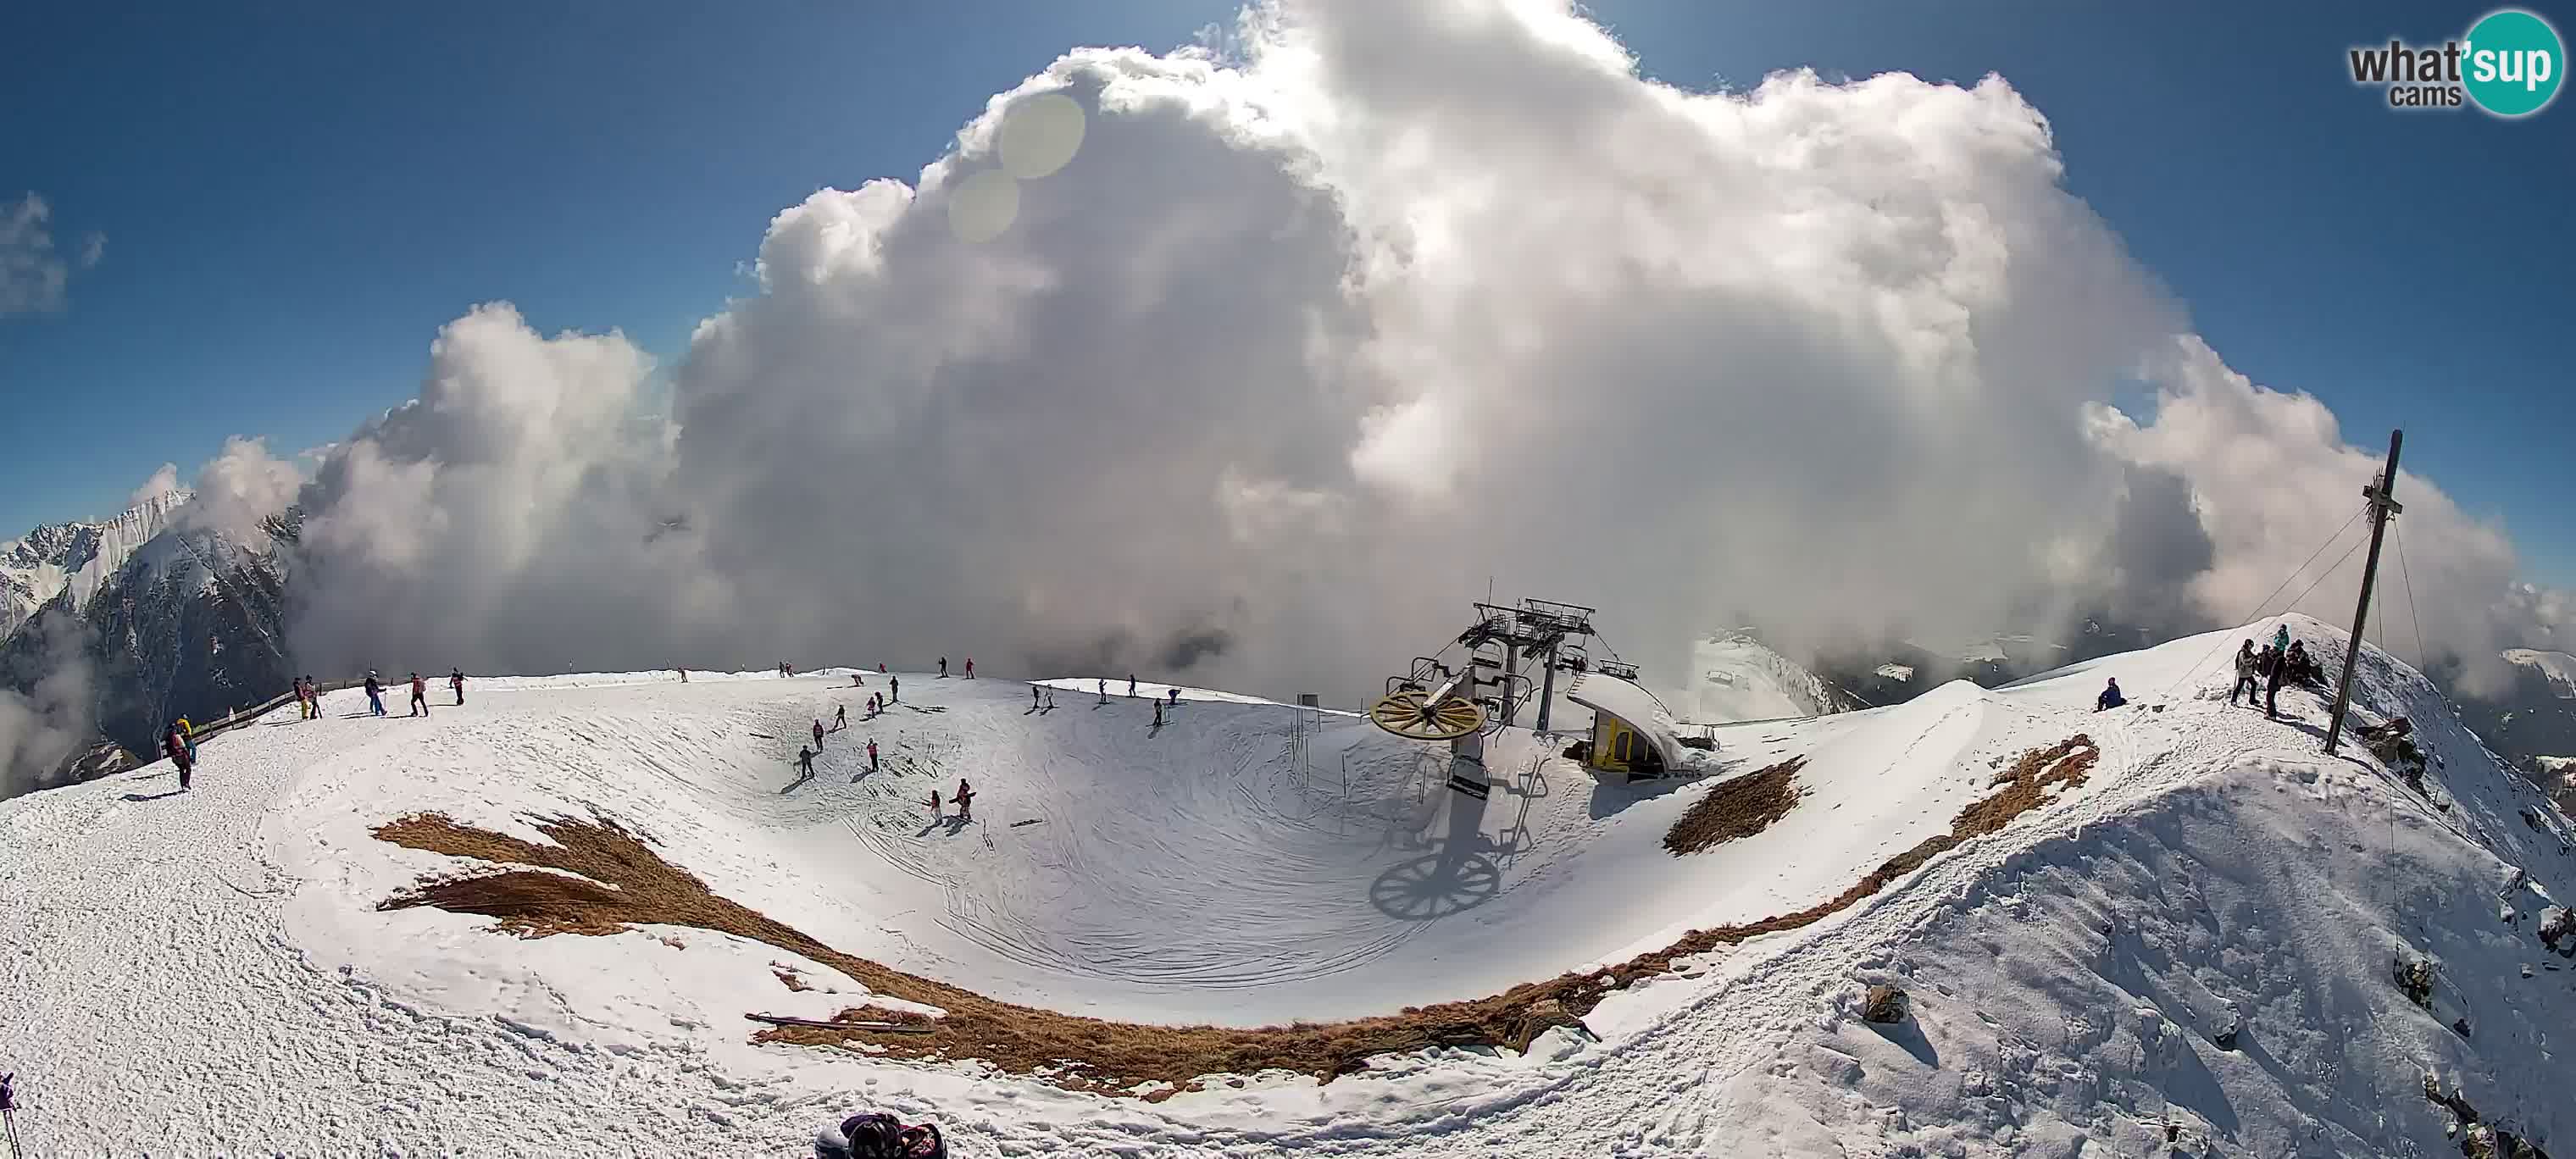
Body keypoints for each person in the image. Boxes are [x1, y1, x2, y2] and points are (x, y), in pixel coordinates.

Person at [813, 1111, 946, 1159]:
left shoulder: (925, 1152)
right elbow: (848, 1125)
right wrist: (879, 1120)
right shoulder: (858, 1129)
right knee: (827, 1141)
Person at [164, 722, 195, 791]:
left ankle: (183, 786)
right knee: (188, 769)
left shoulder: (168, 739)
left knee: (181, 770)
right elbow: (183, 747)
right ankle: (186, 784)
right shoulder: (177, 736)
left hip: (175, 757)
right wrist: (188, 756)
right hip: (182, 755)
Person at [2230, 640, 2261, 707]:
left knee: (2254, 684)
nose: (2251, 647)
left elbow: (2252, 657)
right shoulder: (2242, 653)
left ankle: (2252, 700)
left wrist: (2257, 657)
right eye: (2250, 646)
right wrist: (2253, 659)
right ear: (2247, 645)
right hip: (2243, 673)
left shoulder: (2248, 652)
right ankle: (2233, 701)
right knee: (2239, 687)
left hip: (2248, 673)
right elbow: (2245, 662)